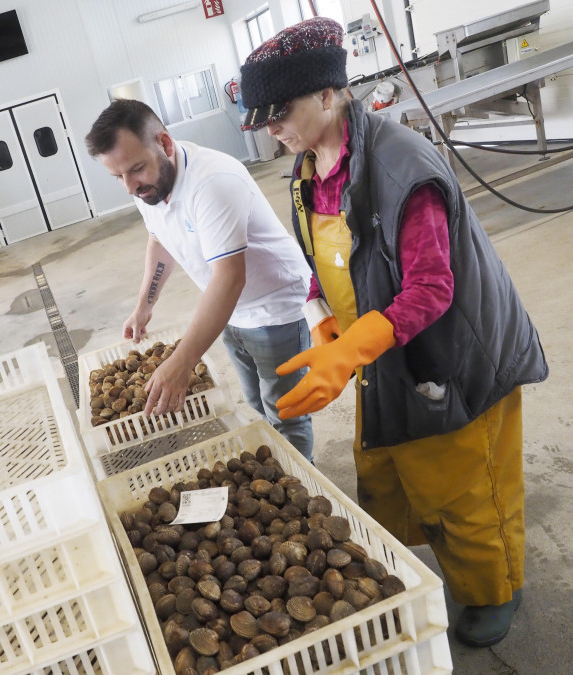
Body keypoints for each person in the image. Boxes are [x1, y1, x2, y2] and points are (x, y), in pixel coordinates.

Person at [238, 16, 548, 647]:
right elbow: (327, 260)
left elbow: (433, 288)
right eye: (261, 119)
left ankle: (496, 590)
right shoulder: (308, 167)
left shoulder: (400, 166)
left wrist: (353, 349)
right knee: (405, 477)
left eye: (279, 112)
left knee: (468, 492)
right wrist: (325, 318)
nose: (270, 129)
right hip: (388, 354)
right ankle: (461, 564)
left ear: (328, 94)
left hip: (456, 354)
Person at [85, 99, 316, 461]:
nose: (130, 186)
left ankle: (305, 485)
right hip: (228, 312)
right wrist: (144, 306)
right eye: (118, 177)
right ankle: (280, 466)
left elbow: (230, 278)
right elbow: (160, 239)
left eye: (136, 169)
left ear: (164, 143)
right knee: (256, 404)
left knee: (286, 414)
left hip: (276, 310)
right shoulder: (148, 184)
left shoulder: (212, 182)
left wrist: (182, 361)